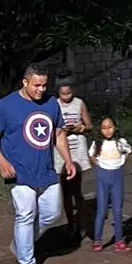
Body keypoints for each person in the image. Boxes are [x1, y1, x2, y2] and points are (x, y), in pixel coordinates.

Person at [0, 63, 75, 264]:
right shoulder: (6, 106)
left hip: (45, 171)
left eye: (44, 85)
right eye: (37, 85)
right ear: (25, 82)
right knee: (25, 214)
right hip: (19, 171)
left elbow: (59, 133)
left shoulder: (52, 103)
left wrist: (68, 160)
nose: (41, 90)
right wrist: (1, 161)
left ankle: (20, 243)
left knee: (52, 214)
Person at [53, 80, 92, 238]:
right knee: (65, 189)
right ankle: (71, 222)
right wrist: (61, 131)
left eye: (69, 93)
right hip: (60, 150)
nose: (66, 97)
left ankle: (81, 222)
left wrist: (79, 128)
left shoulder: (79, 104)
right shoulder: (53, 105)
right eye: (63, 94)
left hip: (78, 149)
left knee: (77, 188)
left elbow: (89, 126)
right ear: (58, 93)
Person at [89, 116, 132, 252]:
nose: (107, 130)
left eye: (110, 127)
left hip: (117, 176)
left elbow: (127, 152)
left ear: (115, 127)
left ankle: (119, 240)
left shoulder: (121, 142)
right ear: (100, 130)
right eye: (104, 128)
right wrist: (100, 165)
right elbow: (91, 155)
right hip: (103, 176)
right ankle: (97, 240)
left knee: (117, 210)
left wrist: (121, 162)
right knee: (101, 210)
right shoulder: (97, 143)